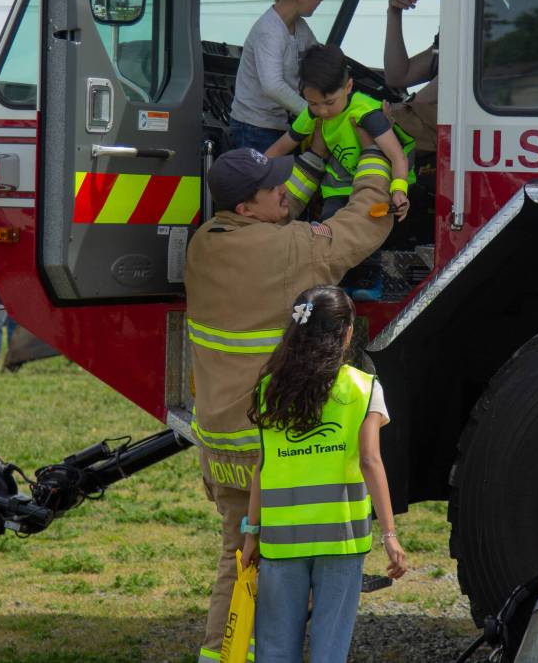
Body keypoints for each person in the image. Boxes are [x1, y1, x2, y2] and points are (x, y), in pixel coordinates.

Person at [185, 136, 395, 663]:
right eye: (269, 186)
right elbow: (368, 220)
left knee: (239, 557)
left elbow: (277, 209)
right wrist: (373, 154)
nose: (284, 190)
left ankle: (226, 655)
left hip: (220, 447)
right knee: (287, 569)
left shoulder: (205, 242)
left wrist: (315, 152)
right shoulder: (294, 248)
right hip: (271, 454)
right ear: (245, 206)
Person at [242, 285, 407, 663]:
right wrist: (389, 535)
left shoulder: (270, 389)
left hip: (282, 541)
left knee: (275, 647)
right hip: (341, 539)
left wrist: (251, 533)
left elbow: (261, 467)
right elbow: (370, 461)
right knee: (329, 648)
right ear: (346, 332)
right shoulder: (363, 388)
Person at [265, 44, 414, 221]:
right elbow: (279, 149)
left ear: (348, 86)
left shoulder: (366, 114)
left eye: (329, 103)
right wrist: (255, 177)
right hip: (340, 185)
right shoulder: (312, 113)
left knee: (365, 226)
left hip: (380, 183)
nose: (322, 111)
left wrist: (399, 190)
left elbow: (398, 156)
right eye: (313, 103)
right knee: (329, 224)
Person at [229, 0, 330, 153]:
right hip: (255, 129)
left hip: (278, 124)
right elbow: (272, 86)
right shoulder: (270, 31)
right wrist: (315, 113)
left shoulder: (298, 26)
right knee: (267, 183)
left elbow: (319, 59)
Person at [383, 0, 441, 153]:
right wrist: (393, 13)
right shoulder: (454, 20)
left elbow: (454, 82)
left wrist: (398, 112)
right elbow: (398, 76)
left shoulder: (478, 9)